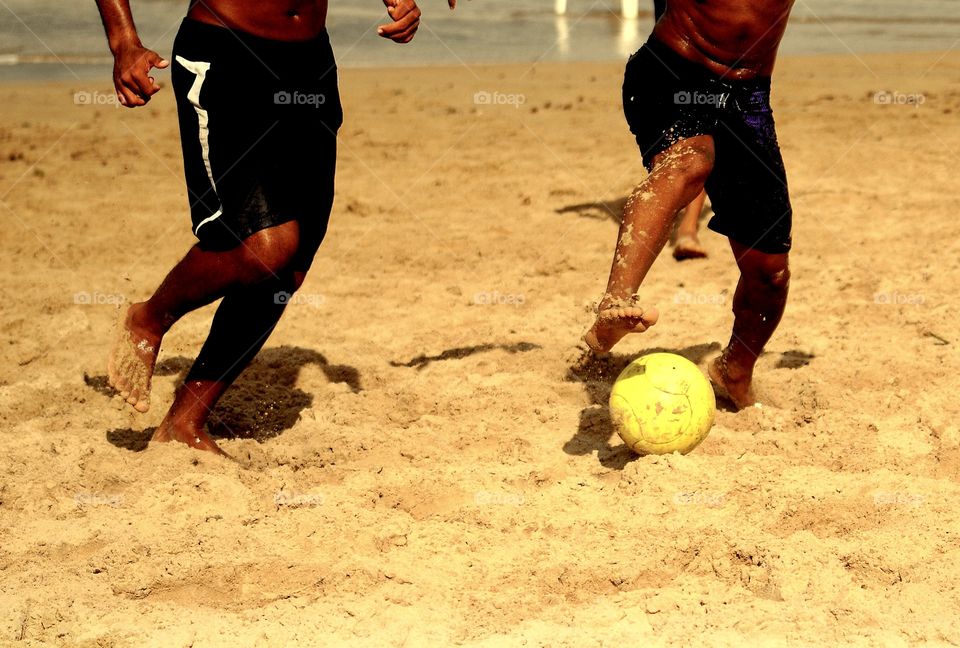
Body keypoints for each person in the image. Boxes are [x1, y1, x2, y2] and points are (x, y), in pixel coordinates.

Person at [98, 0, 457, 455]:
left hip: (310, 62)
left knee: (291, 266)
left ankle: (184, 422)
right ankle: (149, 317)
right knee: (265, 247)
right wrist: (124, 41)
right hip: (227, 54)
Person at [585, 0, 796, 409]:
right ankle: (616, 302)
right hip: (672, 71)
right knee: (690, 163)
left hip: (748, 98)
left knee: (770, 273)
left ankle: (734, 369)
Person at [652, 0, 708, 261]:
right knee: (669, 133)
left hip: (712, 44)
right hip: (668, 45)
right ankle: (670, 216)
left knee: (705, 131)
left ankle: (688, 227)